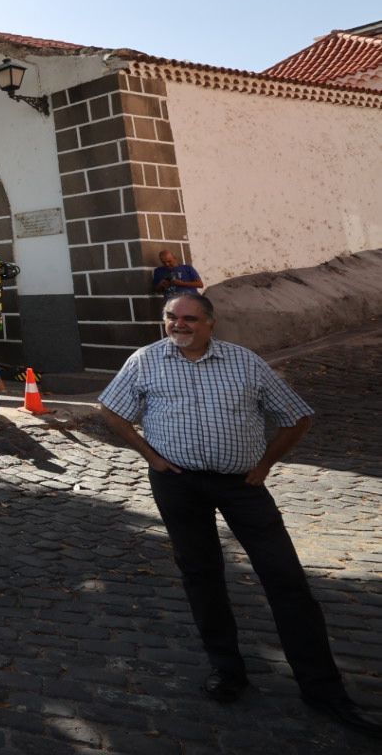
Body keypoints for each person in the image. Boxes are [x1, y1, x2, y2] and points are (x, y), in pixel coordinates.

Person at [99, 293, 381, 737]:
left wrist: (265, 464)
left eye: (190, 319)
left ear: (210, 323)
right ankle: (227, 670)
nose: (179, 325)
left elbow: (297, 416)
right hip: (177, 483)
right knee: (201, 575)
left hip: (241, 485)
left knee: (285, 578)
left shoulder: (244, 362)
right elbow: (111, 410)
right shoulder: (144, 361)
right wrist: (150, 456)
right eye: (172, 317)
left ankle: (323, 689)